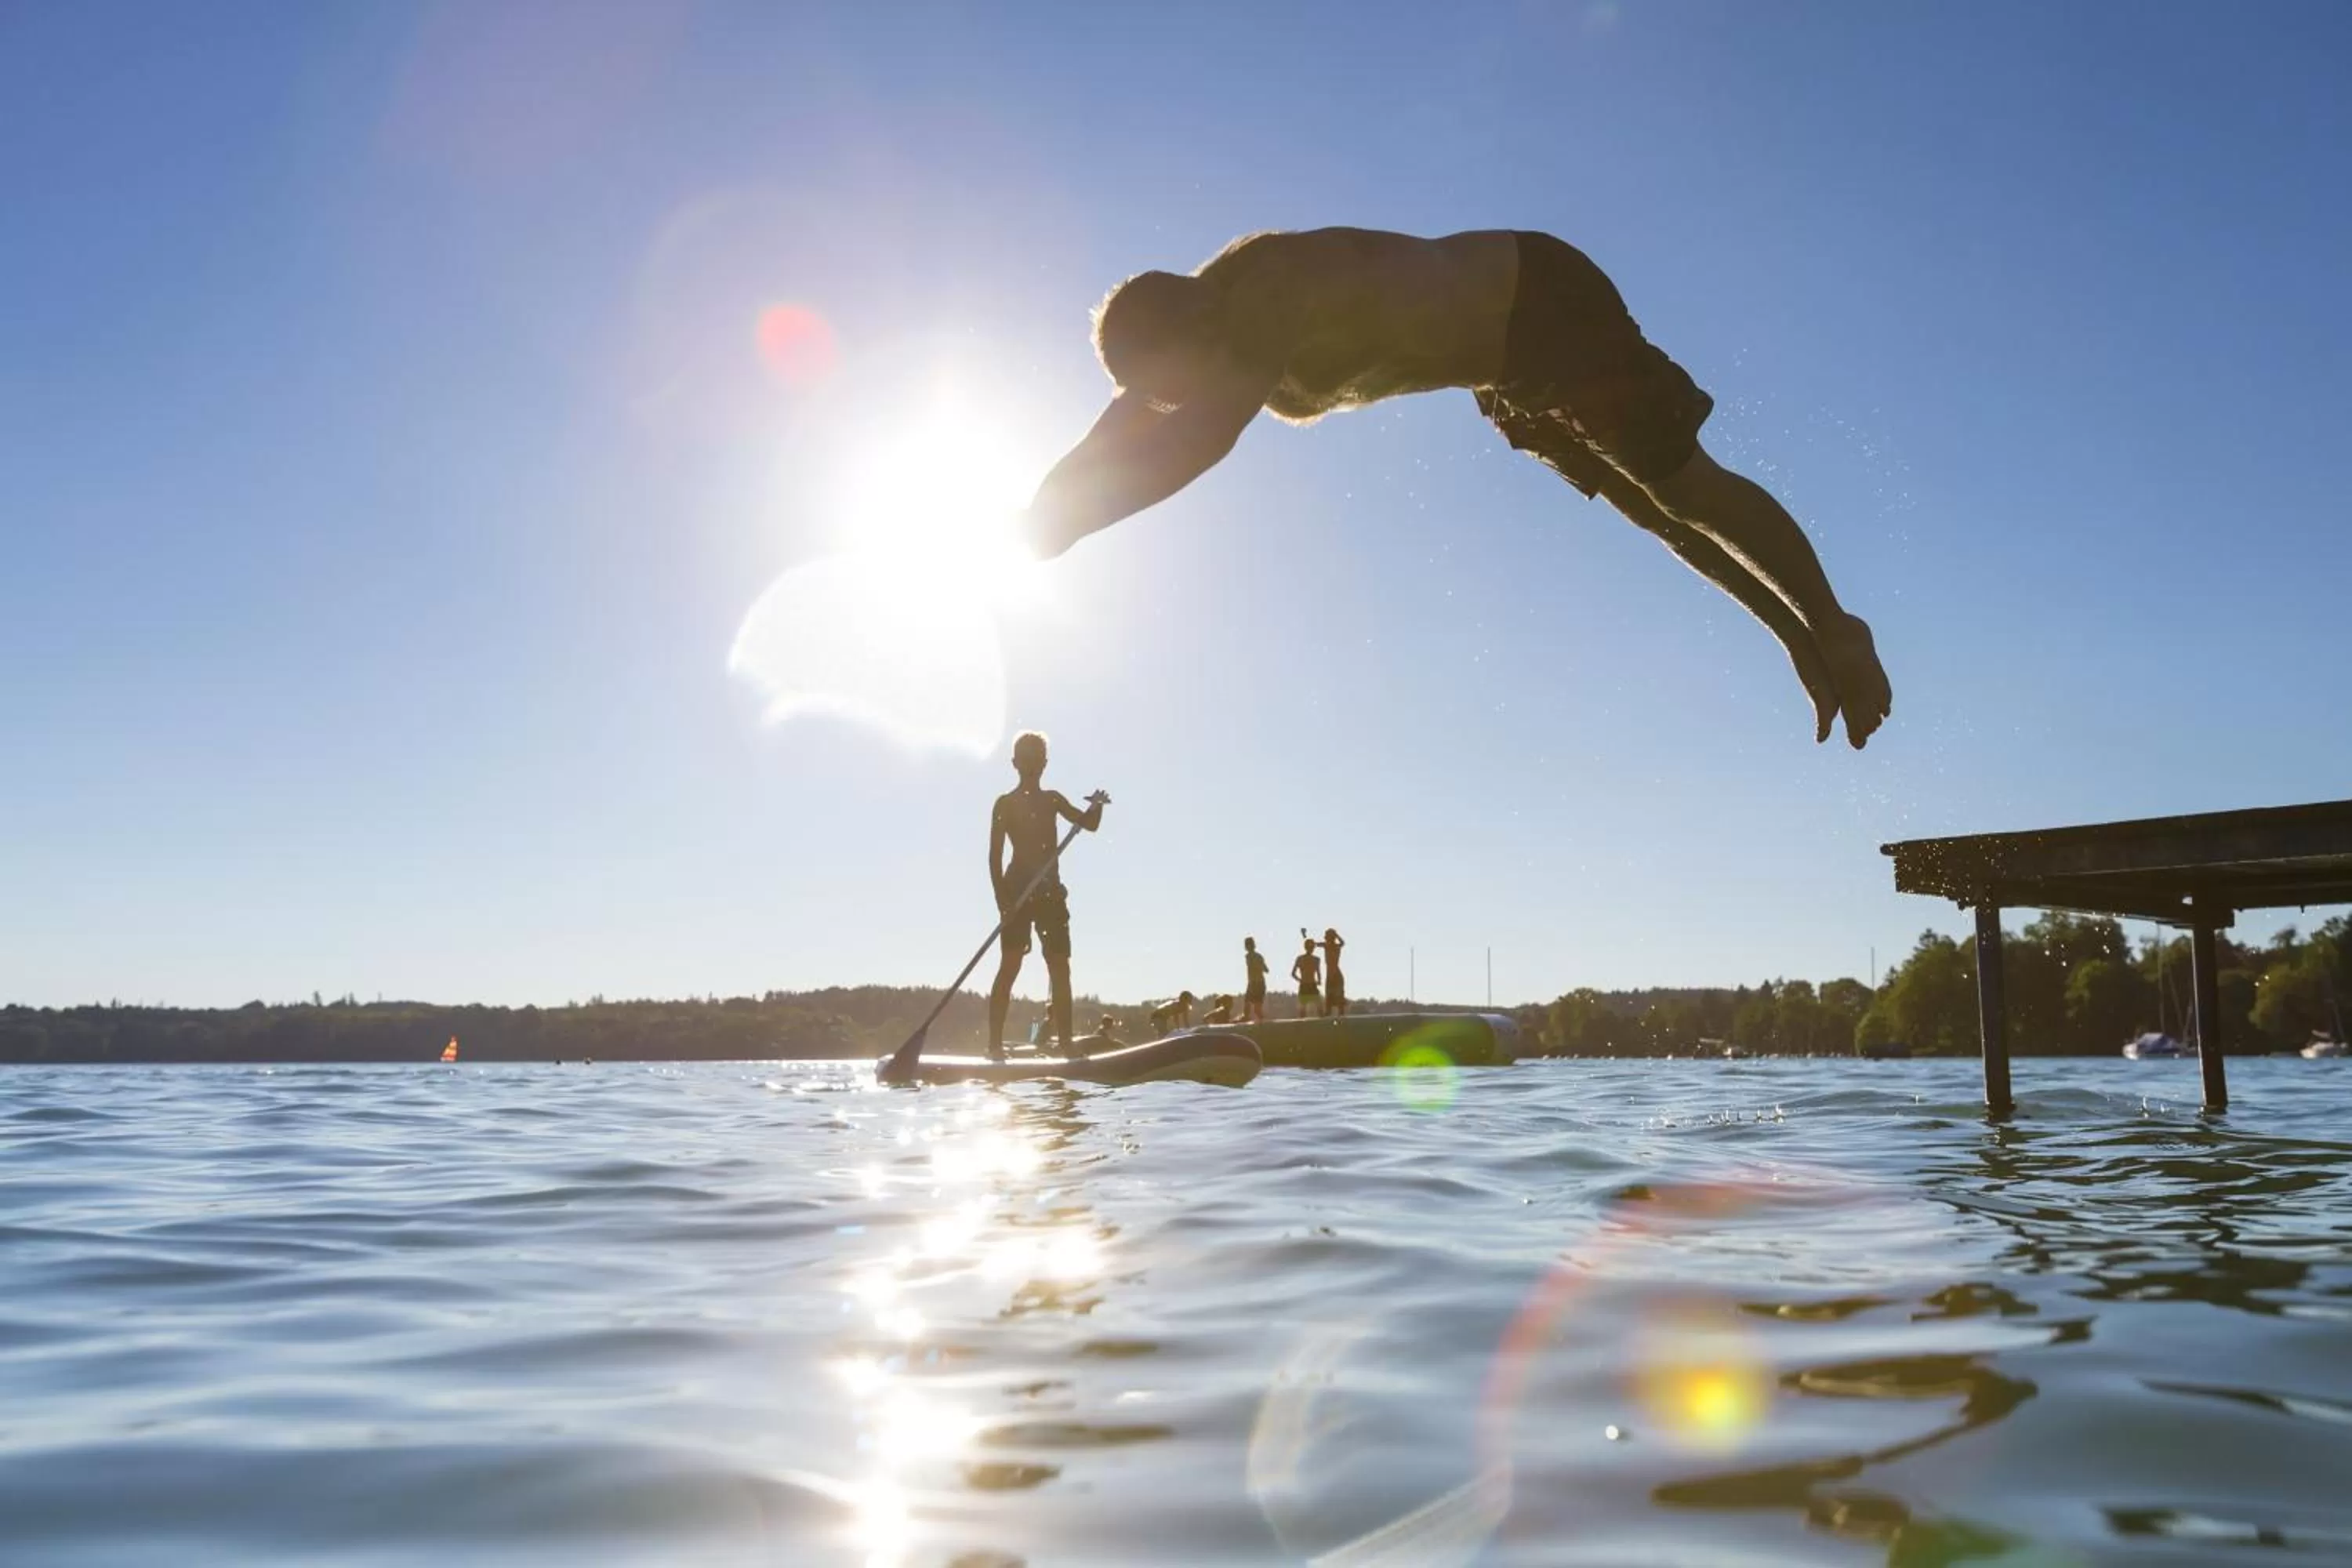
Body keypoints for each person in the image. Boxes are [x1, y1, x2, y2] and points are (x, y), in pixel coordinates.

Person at [1021, 228, 1890, 750]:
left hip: (1538, 294)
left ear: (1201, 322)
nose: (1182, 403)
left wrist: (1067, 529)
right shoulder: (1188, 340)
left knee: (1685, 490)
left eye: (1181, 386)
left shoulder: (1264, 294)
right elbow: (1121, 427)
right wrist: (1029, 517)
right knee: (1655, 514)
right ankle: (1797, 636)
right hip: (1502, 372)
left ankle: (1838, 625)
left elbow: (1201, 438)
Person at [986, 731, 1108, 1059]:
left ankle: (1066, 1045)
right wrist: (1004, 904)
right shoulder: (1005, 804)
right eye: (1026, 760)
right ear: (1014, 764)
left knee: (1060, 967)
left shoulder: (1052, 799)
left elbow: (1089, 824)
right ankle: (994, 1047)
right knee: (1010, 966)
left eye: (1037, 760)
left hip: (1051, 895)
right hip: (1016, 894)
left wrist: (1096, 806)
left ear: (1045, 764)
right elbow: (994, 859)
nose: (1032, 766)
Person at [1291, 936, 1322, 1019]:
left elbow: (1318, 972)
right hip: (1308, 984)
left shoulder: (1315, 959)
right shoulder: (1304, 959)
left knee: (1317, 1007)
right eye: (1311, 947)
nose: (1311, 949)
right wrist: (1319, 980)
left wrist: (1319, 980)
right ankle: (1301, 1026)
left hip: (1309, 984)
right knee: (1304, 1008)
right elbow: (1293, 973)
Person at [1320, 927, 1348, 1018]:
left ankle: (1340, 1013)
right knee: (1330, 995)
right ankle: (1329, 1012)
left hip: (1335, 974)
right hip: (1331, 974)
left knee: (1337, 995)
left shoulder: (1335, 946)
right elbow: (1315, 944)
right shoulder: (1326, 945)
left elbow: (1343, 943)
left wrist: (1336, 935)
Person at [1242, 936, 1269, 1024]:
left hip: (1256, 984)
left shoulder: (1250, 956)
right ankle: (1256, 1020)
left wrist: (1258, 966)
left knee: (1254, 1008)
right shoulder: (1257, 956)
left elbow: (1265, 969)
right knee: (1251, 1007)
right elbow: (1266, 970)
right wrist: (1260, 966)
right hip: (1255, 983)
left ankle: (1262, 1023)